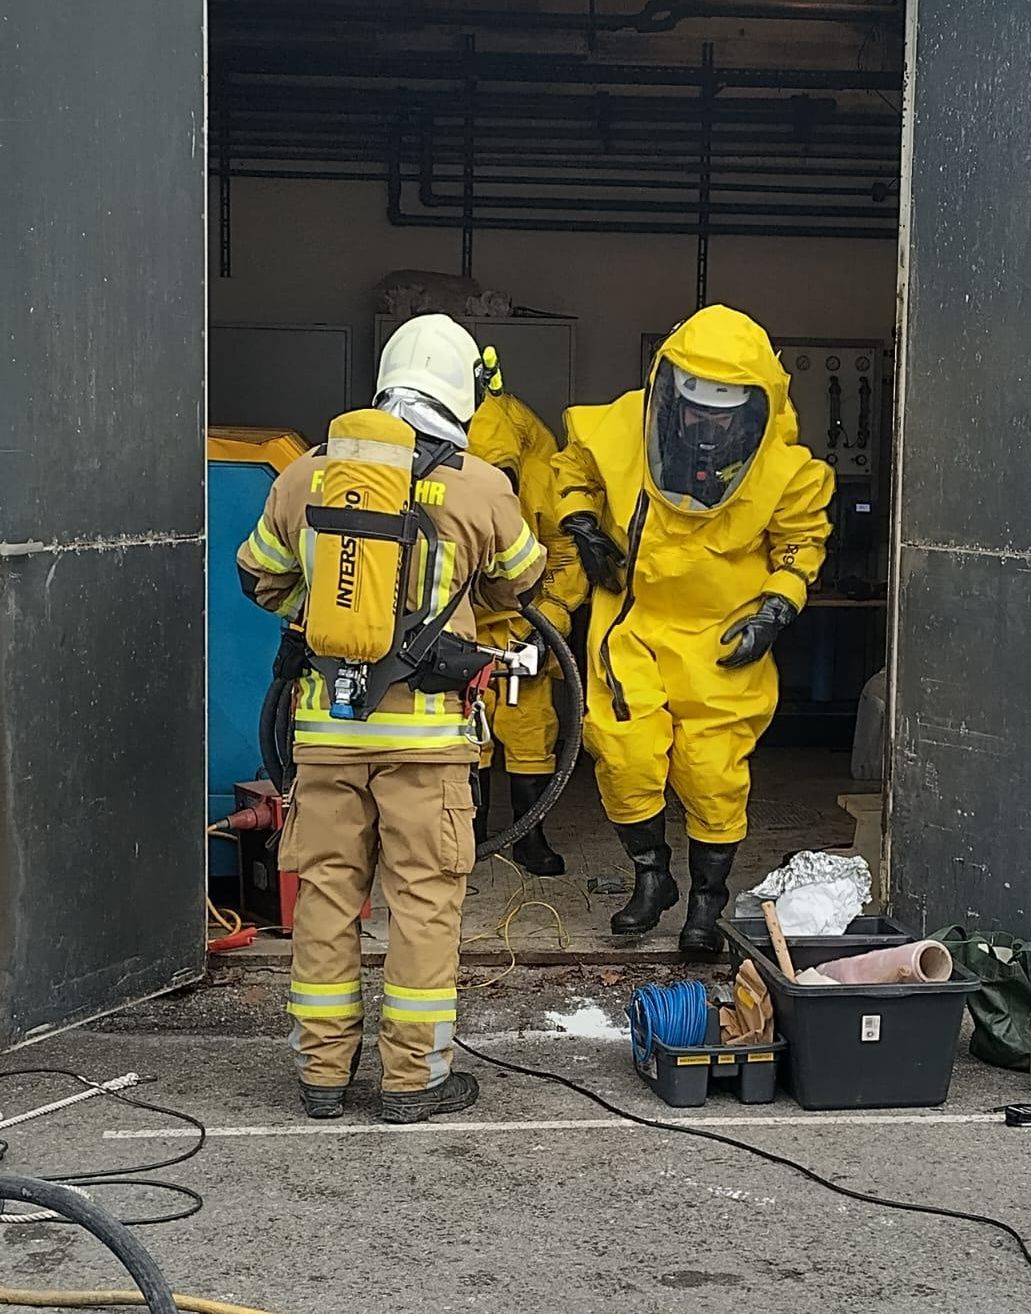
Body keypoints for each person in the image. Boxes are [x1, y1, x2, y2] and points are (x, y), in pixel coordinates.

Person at [237, 314, 546, 1122]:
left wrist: (334, 604)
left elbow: (258, 577)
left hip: (325, 735)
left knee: (328, 900)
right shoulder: (480, 485)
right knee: (423, 906)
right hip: (430, 745)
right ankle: (414, 1080)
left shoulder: (306, 475)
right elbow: (524, 581)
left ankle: (322, 1077)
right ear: (460, 391)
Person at [553, 305, 833, 954]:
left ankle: (706, 907)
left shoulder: (786, 472)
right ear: (667, 393)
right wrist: (582, 523)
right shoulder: (621, 426)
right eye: (694, 407)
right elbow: (573, 471)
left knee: (712, 776)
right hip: (635, 629)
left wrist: (775, 609)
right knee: (625, 756)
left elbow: (801, 543)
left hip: (722, 639)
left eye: (723, 411)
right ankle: (652, 879)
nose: (705, 424)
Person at [468, 385, 588, 875]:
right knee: (464, 732)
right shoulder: (439, 468)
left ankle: (528, 835)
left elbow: (567, 558)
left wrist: (549, 626)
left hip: (524, 621)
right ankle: (467, 836)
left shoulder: (542, 478)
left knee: (531, 730)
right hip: (463, 623)